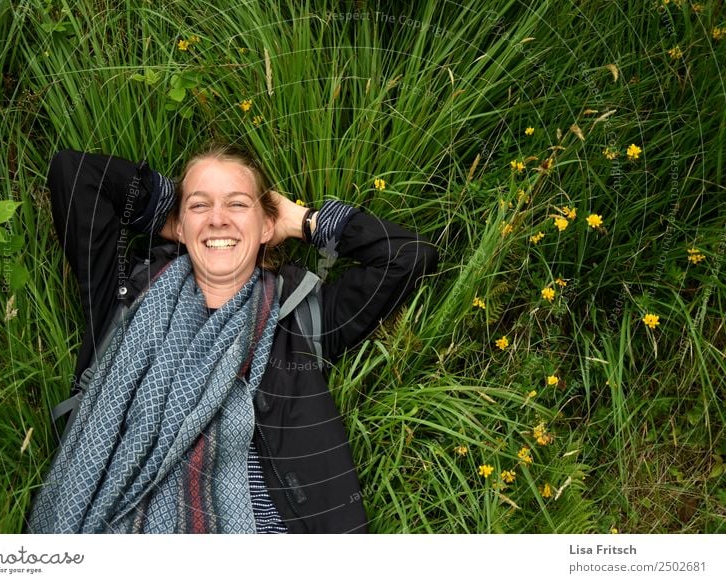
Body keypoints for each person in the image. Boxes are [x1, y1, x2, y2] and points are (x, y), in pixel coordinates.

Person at [26, 143, 439, 534]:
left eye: (238, 204)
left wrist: (301, 220)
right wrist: (169, 211)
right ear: (177, 227)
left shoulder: (302, 315)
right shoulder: (124, 296)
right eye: (200, 204)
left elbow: (408, 255)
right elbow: (74, 173)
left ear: (266, 227)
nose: (218, 218)